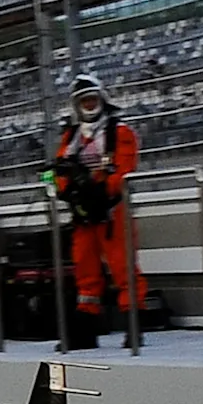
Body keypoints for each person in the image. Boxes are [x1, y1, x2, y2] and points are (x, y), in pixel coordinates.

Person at [47, 73, 141, 347]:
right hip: (83, 213)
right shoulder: (72, 136)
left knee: (124, 268)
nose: (89, 104)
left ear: (101, 99)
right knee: (84, 269)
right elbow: (59, 169)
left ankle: (133, 326)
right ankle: (85, 329)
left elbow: (124, 168)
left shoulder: (120, 132)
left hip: (111, 210)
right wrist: (67, 189)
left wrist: (100, 189)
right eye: (83, 101)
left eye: (92, 99)